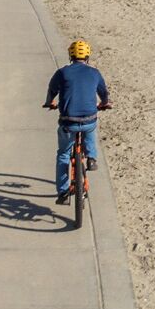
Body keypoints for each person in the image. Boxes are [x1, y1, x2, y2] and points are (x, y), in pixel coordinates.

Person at [44, 38, 110, 200]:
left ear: (70, 56)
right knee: (90, 127)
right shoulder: (95, 72)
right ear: (87, 56)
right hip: (88, 119)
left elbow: (52, 90)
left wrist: (49, 102)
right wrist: (104, 104)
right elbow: (104, 93)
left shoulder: (62, 72)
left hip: (68, 122)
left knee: (63, 155)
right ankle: (92, 158)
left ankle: (63, 192)